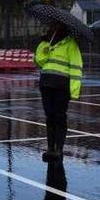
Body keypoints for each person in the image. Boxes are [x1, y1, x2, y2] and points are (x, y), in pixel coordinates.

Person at [34, 21, 83, 162]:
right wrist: (45, 46)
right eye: (53, 26)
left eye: (57, 26)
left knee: (59, 117)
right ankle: (50, 148)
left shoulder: (70, 44)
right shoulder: (47, 42)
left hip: (61, 86)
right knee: (50, 117)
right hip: (46, 84)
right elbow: (39, 61)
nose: (54, 28)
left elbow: (76, 67)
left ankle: (59, 150)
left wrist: (74, 90)